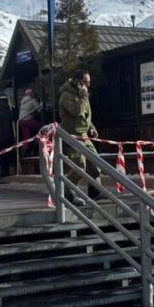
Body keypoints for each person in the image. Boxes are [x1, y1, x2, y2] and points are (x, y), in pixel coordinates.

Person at [58, 70, 101, 206]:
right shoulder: (66, 95)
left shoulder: (83, 94)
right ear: (77, 82)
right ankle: (67, 192)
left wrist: (91, 127)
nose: (87, 87)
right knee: (79, 166)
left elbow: (86, 115)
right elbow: (77, 111)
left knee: (95, 162)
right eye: (85, 83)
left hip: (83, 134)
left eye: (89, 84)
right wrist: (82, 97)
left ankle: (95, 191)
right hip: (72, 134)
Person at [18, 89, 42, 155]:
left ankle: (25, 150)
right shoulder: (32, 100)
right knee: (41, 127)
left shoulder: (22, 101)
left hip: (21, 121)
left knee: (27, 136)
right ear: (31, 94)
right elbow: (39, 109)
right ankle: (39, 141)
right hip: (28, 120)